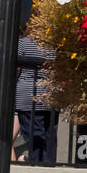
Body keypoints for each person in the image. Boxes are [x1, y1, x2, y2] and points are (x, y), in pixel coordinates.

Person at [13, 30, 58, 165]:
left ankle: (37, 166)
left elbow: (15, 69)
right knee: (49, 137)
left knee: (35, 136)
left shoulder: (23, 43)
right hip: (51, 95)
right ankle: (49, 167)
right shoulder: (55, 46)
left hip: (28, 95)